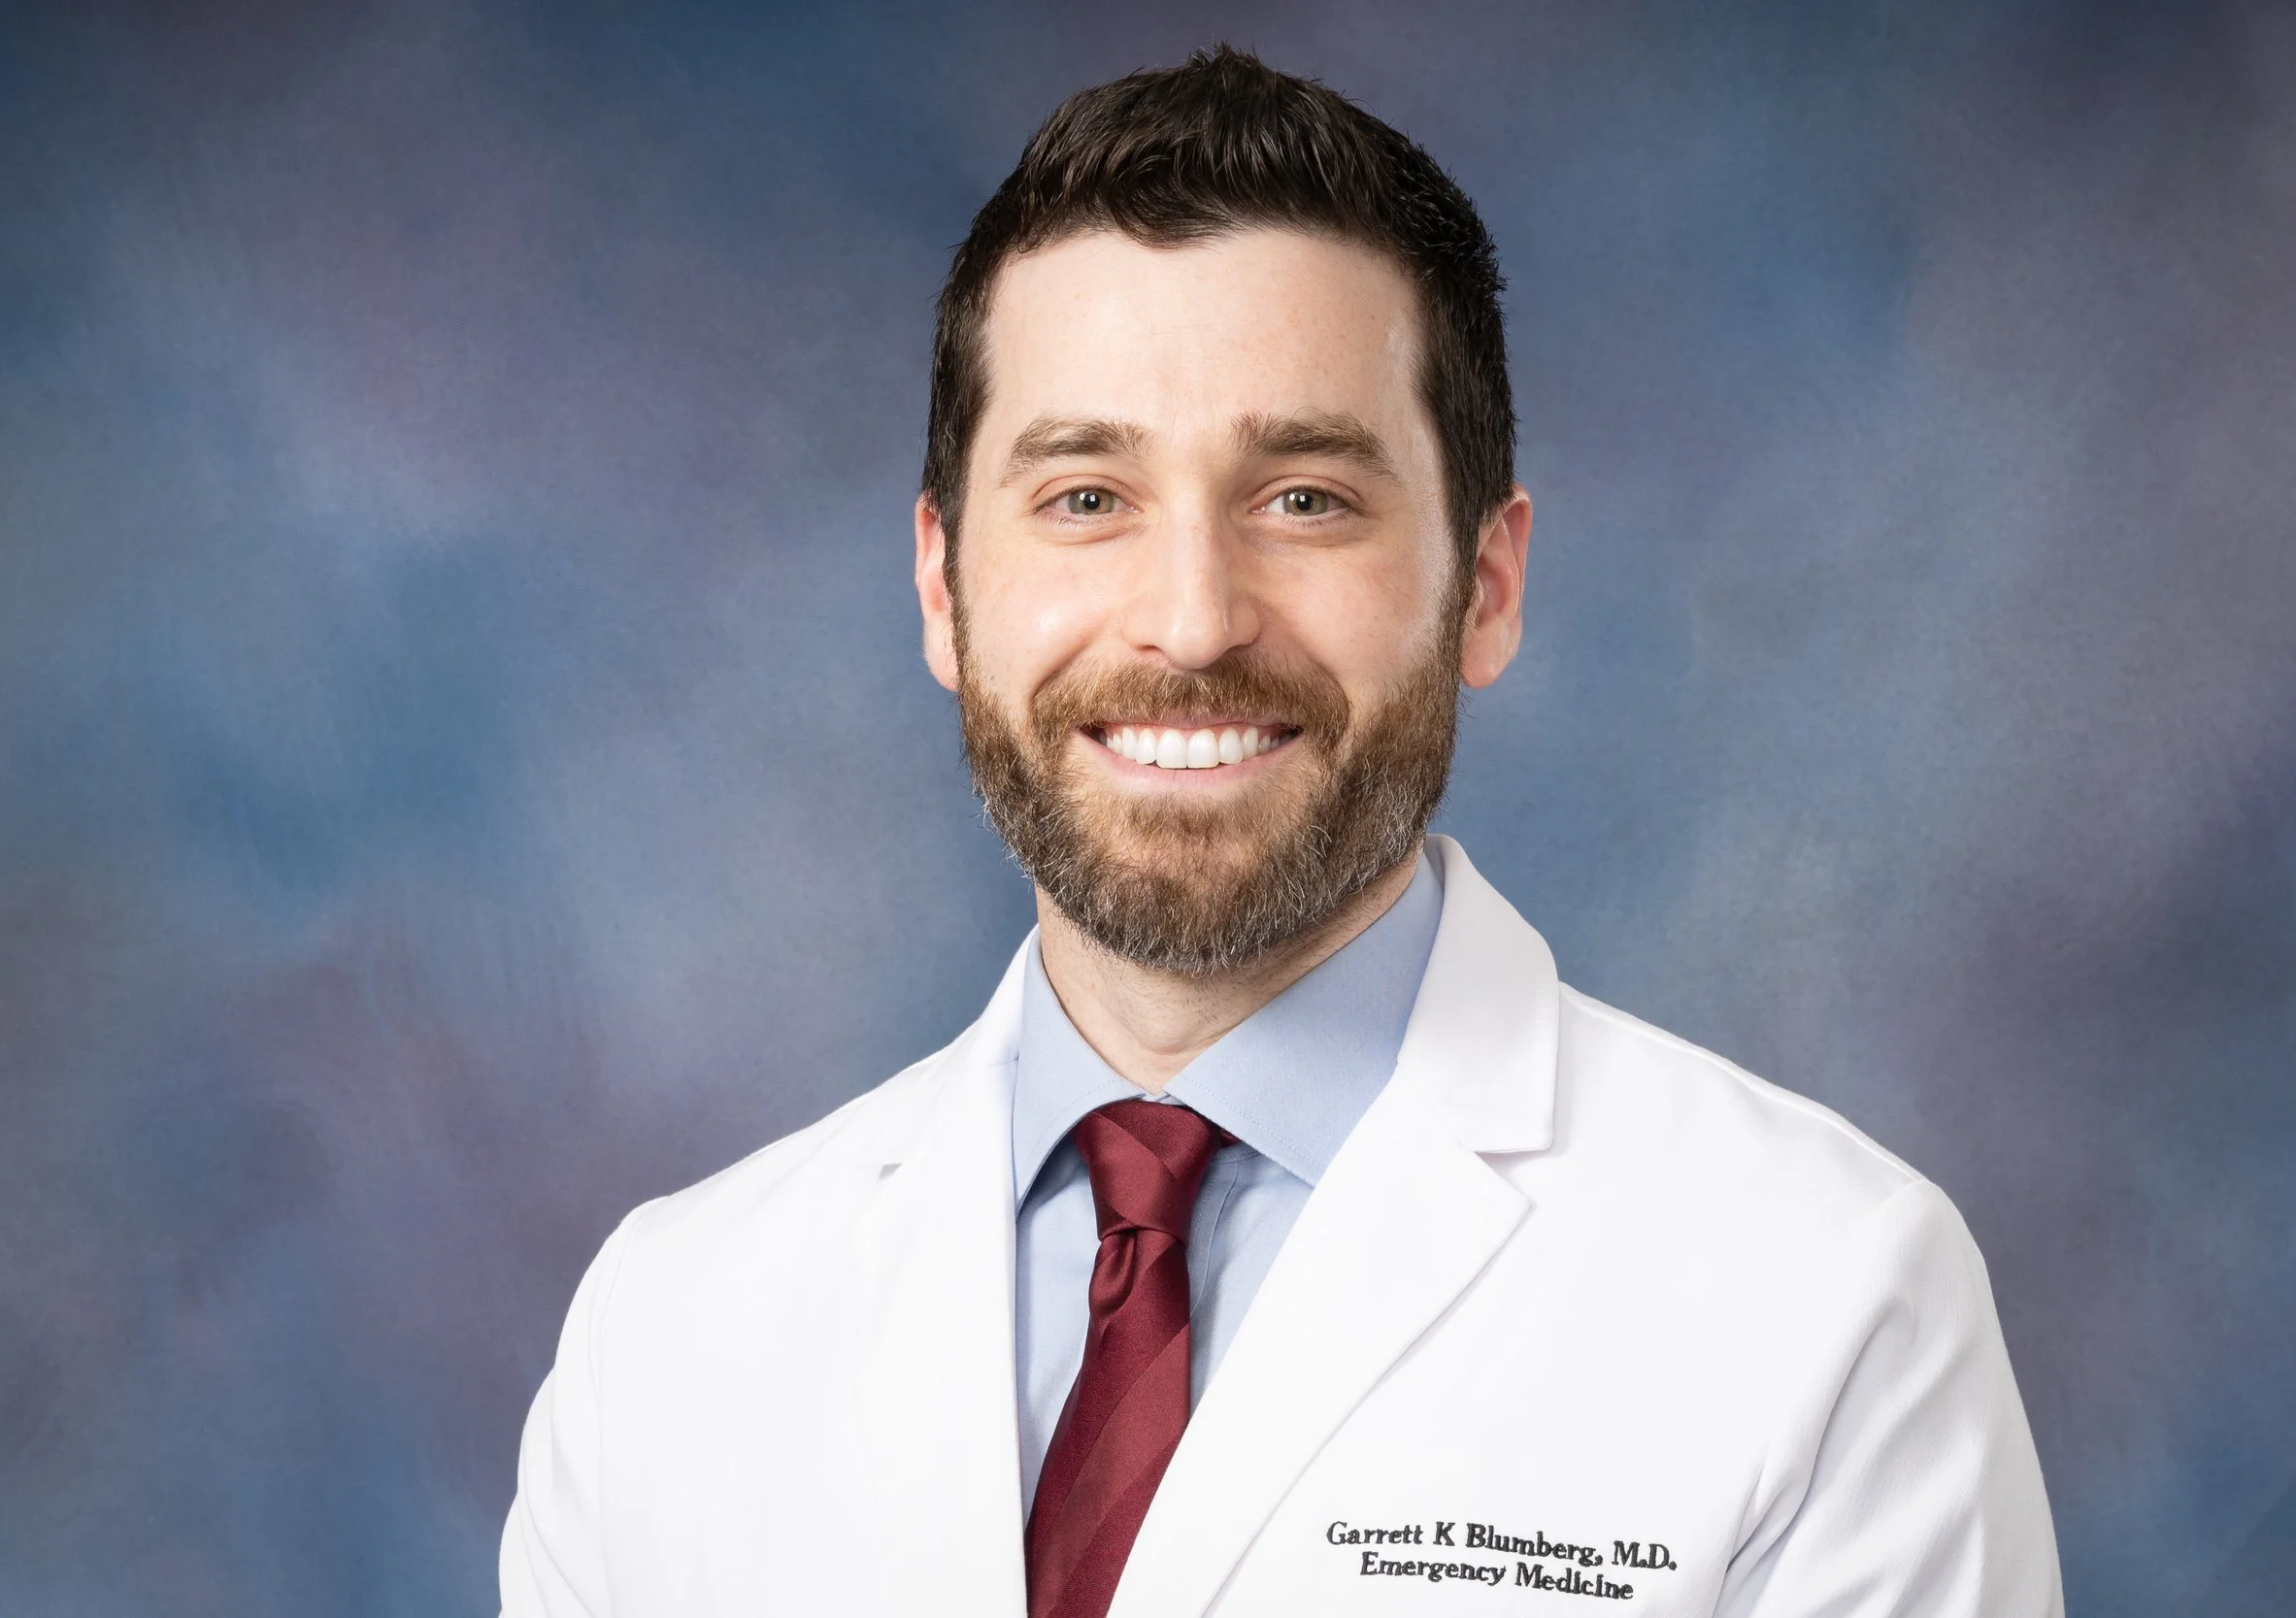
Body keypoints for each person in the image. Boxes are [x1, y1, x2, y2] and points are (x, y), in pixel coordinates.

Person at [498, 46, 2062, 1618]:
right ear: (940, 584)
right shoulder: (668, 1335)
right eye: (1086, 496)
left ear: (1489, 581)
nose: (1191, 621)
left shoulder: (1831, 1308)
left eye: (1305, 497)